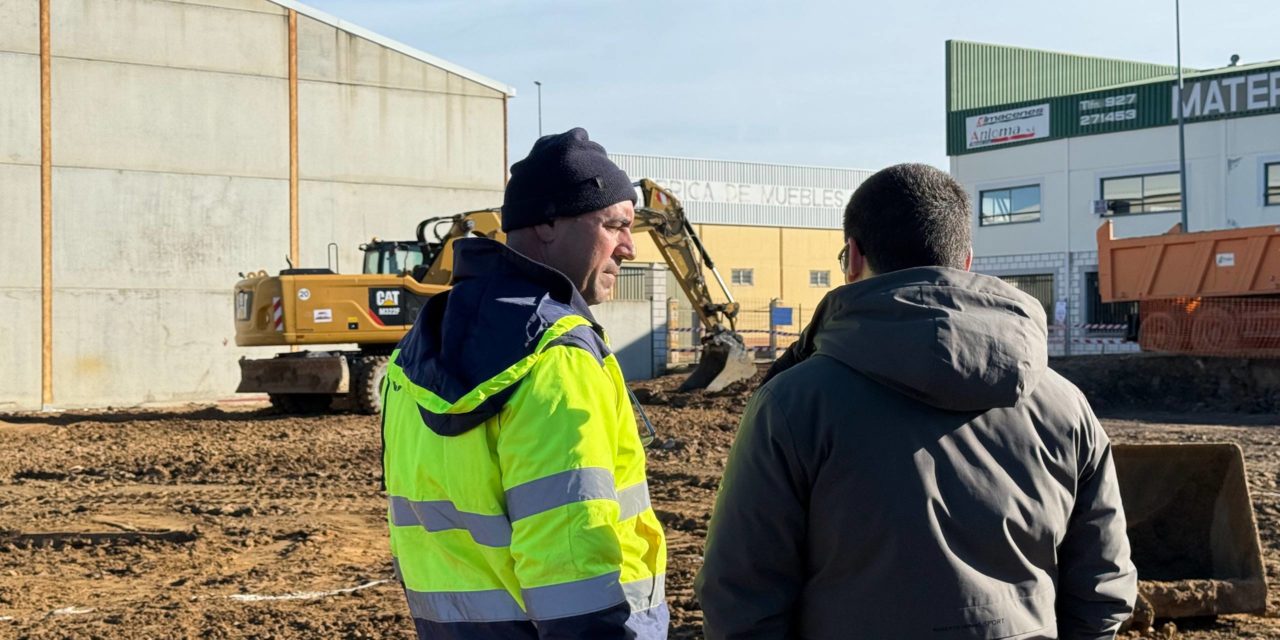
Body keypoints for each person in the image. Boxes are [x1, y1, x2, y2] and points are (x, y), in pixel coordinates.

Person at [696, 163, 1136, 639]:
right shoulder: (1065, 407)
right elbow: (1103, 585)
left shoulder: (792, 404)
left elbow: (740, 596)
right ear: (966, 260)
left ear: (853, 257)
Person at [381, 128, 668, 639]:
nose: (629, 246)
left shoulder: (413, 354)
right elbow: (569, 546)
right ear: (550, 223)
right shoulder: (558, 356)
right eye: (615, 225)